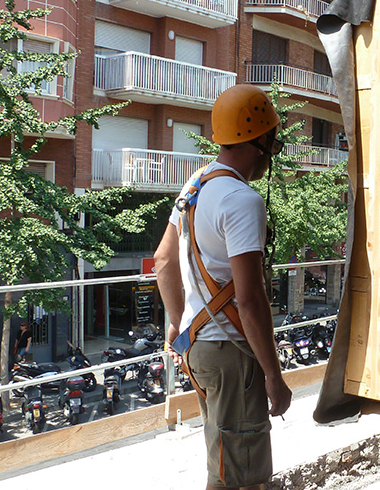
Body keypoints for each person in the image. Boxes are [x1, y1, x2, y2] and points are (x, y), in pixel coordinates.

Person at [154, 84, 292, 490]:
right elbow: (249, 301)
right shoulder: (242, 199)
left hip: (198, 347)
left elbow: (163, 260)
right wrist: (273, 374)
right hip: (231, 353)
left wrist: (177, 324)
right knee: (243, 475)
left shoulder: (194, 185)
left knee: (224, 462)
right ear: (262, 139)